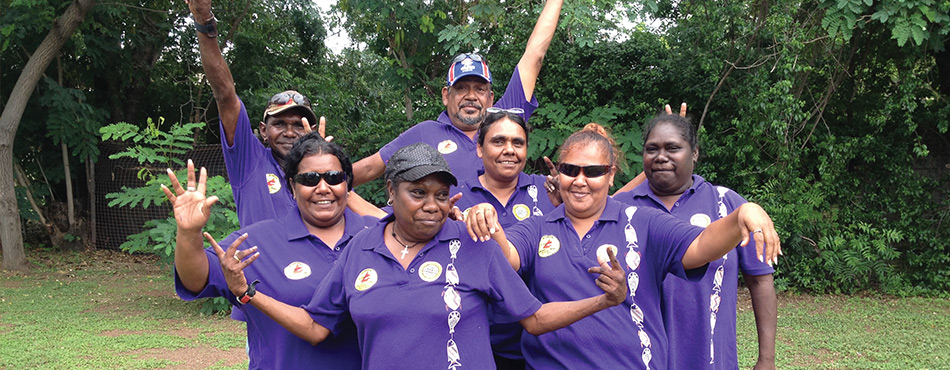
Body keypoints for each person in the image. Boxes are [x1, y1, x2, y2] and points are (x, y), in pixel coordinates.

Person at [208, 143, 629, 370]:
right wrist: (248, 294)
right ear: (390, 193)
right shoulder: (362, 249)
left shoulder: (473, 246)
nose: (432, 204)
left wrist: (603, 301)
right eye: (418, 193)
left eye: (441, 194)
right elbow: (317, 327)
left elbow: (534, 319)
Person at [465, 123, 782, 369]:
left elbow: (701, 245)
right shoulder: (538, 226)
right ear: (558, 173)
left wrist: (743, 214)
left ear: (611, 175)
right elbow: (508, 256)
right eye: (570, 170)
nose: (580, 180)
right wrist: (489, 222)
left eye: (593, 172)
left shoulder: (641, 221)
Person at [165, 133, 377, 369]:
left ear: (347, 184)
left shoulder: (379, 237)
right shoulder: (256, 242)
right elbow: (196, 280)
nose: (323, 187)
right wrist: (188, 232)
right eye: (309, 179)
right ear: (292, 187)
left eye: (334, 177)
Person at [612, 114, 777, 369]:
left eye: (673, 148)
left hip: (710, 359)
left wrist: (766, 359)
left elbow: (760, 279)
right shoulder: (620, 209)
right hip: (639, 359)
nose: (661, 156)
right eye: (652, 149)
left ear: (695, 153)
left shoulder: (728, 206)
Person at [352, 0, 565, 185]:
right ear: (446, 95)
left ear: (490, 98)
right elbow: (371, 167)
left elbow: (535, 55)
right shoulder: (424, 133)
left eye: (480, 89)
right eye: (461, 88)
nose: (471, 96)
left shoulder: (505, 119)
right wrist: (323, 171)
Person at [451, 107, 558, 368]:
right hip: (476, 342)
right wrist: (345, 193)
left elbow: (604, 201)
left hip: (545, 340)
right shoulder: (455, 197)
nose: (509, 149)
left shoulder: (548, 191)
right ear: (479, 148)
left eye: (517, 143)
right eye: (498, 141)